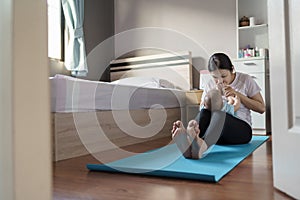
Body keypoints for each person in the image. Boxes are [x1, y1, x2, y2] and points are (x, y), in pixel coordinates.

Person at [171, 52, 265, 159]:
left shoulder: (245, 80)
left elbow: (261, 108)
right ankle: (191, 146)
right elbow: (203, 108)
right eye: (215, 77)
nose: (220, 81)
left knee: (219, 115)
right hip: (215, 134)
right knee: (205, 112)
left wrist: (237, 94)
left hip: (241, 132)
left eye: (224, 76)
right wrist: (214, 95)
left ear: (232, 69)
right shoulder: (210, 84)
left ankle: (200, 146)